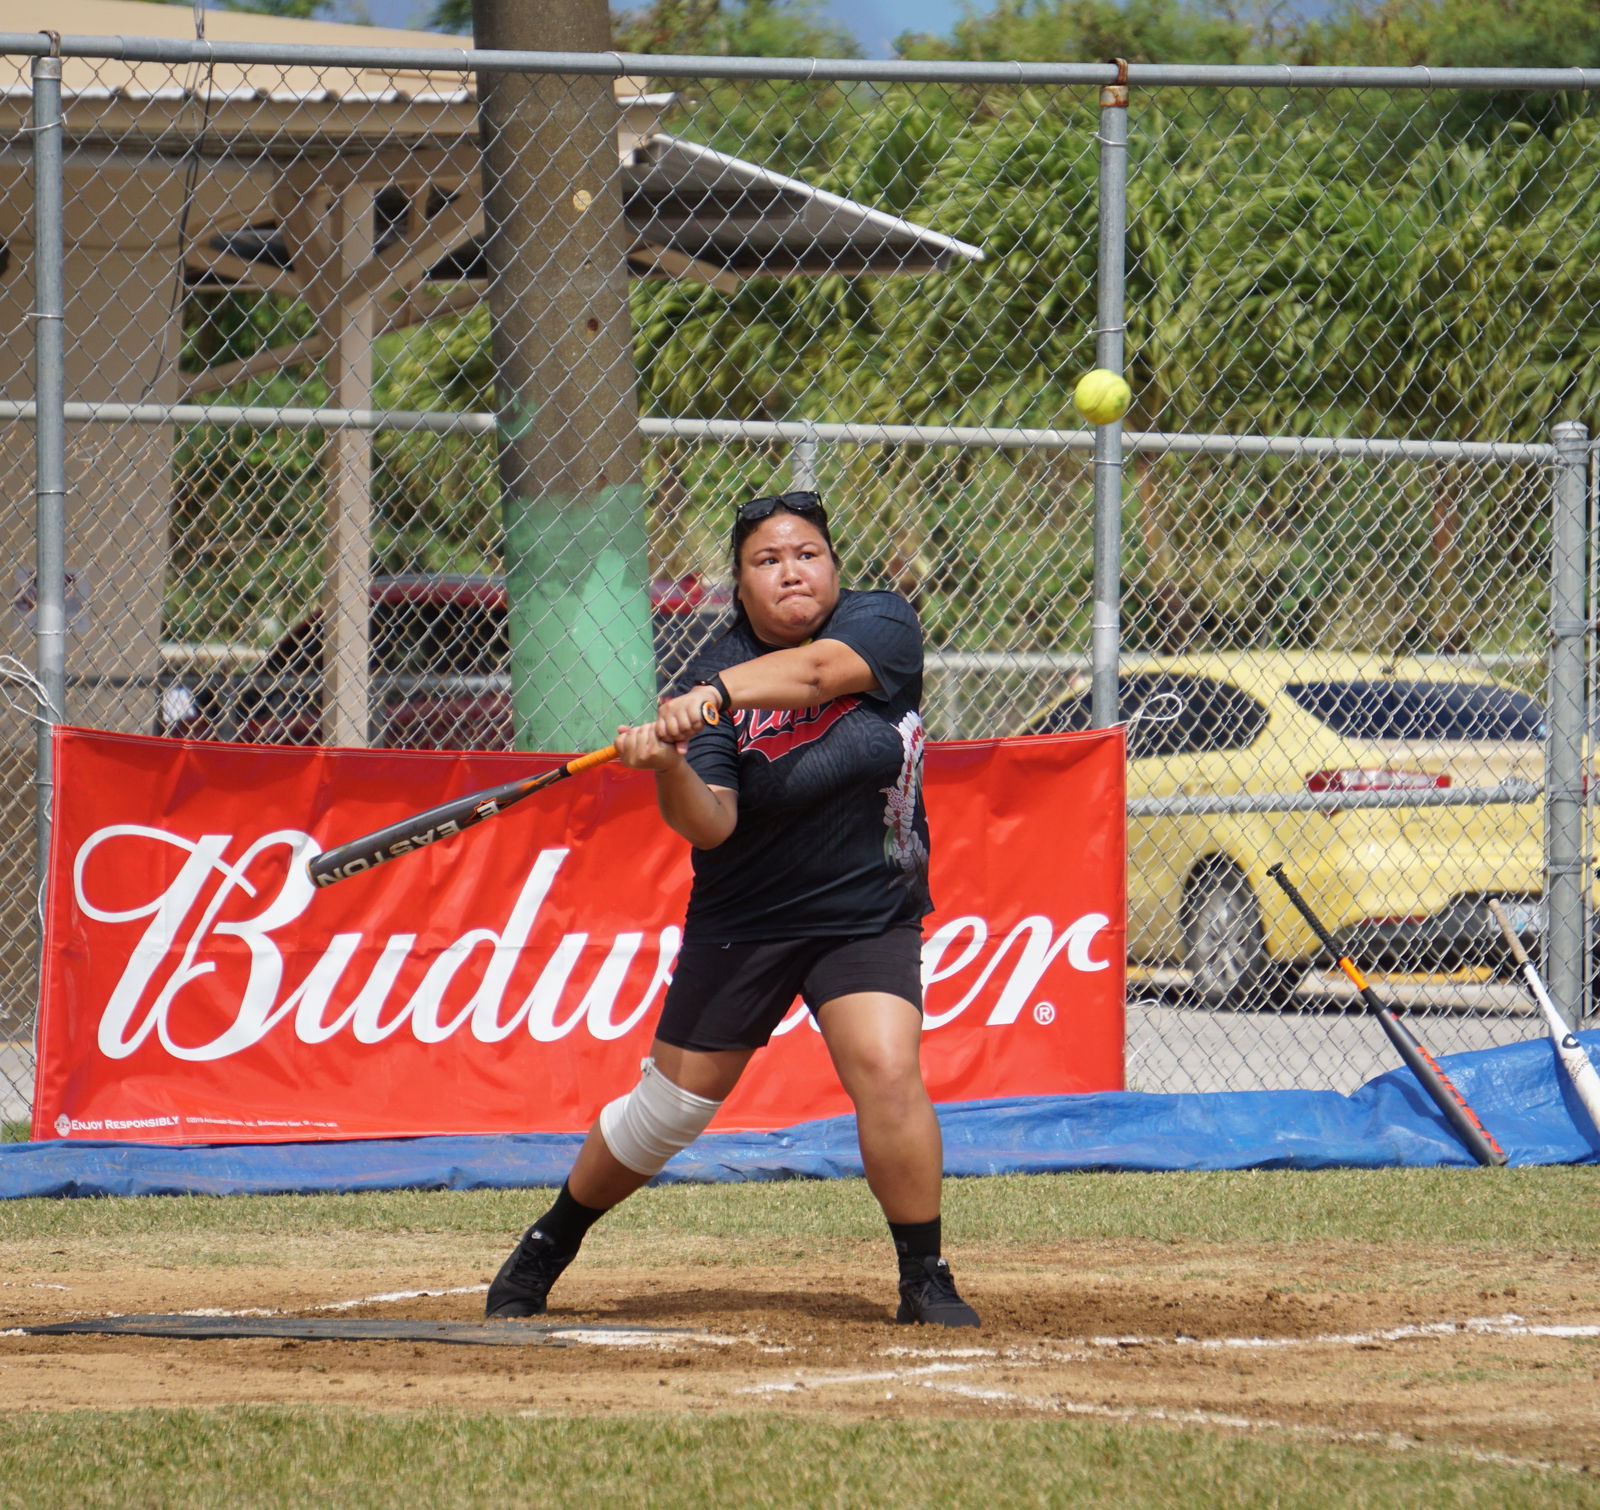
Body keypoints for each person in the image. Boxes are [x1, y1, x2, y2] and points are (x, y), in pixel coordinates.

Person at [485, 488, 978, 1329]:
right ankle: (548, 1242)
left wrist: (712, 697)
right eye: (768, 561)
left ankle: (924, 1275)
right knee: (668, 1112)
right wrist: (670, 763)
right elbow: (711, 826)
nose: (793, 571)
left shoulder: (880, 623)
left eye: (807, 553)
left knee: (889, 1071)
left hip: (868, 909)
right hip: (746, 920)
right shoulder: (708, 680)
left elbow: (819, 674)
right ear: (741, 587)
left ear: (832, 564)